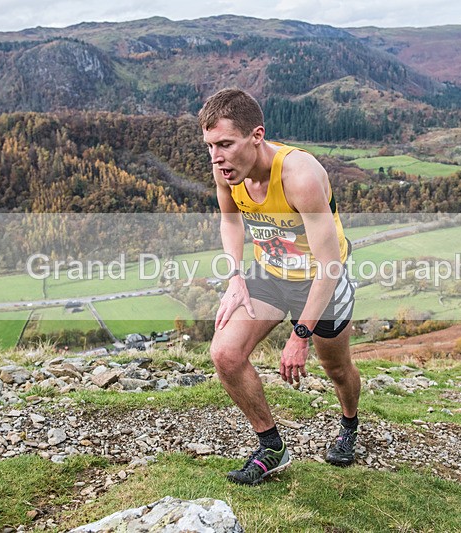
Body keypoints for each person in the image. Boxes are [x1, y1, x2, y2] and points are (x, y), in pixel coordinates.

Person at [199, 88, 361, 485]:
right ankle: (272, 447)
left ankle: (350, 425)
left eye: (225, 144)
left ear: (256, 136)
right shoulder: (227, 172)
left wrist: (300, 334)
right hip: (271, 274)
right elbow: (231, 220)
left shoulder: (299, 176)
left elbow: (330, 266)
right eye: (209, 146)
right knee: (225, 353)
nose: (217, 157)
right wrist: (235, 276)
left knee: (336, 368)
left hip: (321, 282)